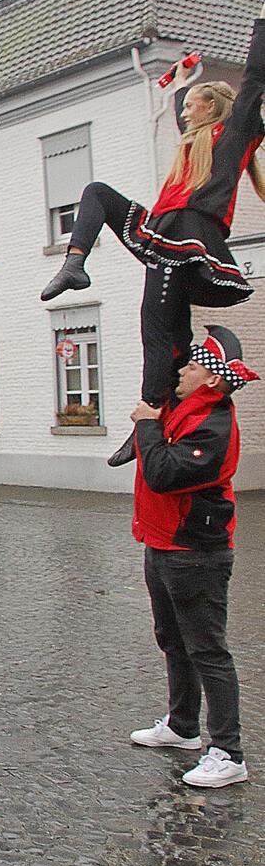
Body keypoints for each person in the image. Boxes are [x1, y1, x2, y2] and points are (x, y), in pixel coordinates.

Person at [42, 8, 265, 467]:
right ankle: (74, 263)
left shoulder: (234, 134)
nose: (183, 113)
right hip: (164, 232)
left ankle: (150, 415)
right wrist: (184, 78)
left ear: (212, 109)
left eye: (191, 105)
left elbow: (256, 76)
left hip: (191, 238)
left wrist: (260, 25)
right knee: (97, 194)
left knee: (157, 329)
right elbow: (186, 113)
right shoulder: (196, 140)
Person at [127, 325, 255, 788]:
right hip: (163, 543)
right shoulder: (183, 409)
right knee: (173, 640)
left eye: (195, 366)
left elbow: (162, 473)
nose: (183, 370)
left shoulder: (213, 425)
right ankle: (183, 726)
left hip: (196, 552)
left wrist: (145, 424)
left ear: (213, 382)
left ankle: (227, 750)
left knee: (208, 650)